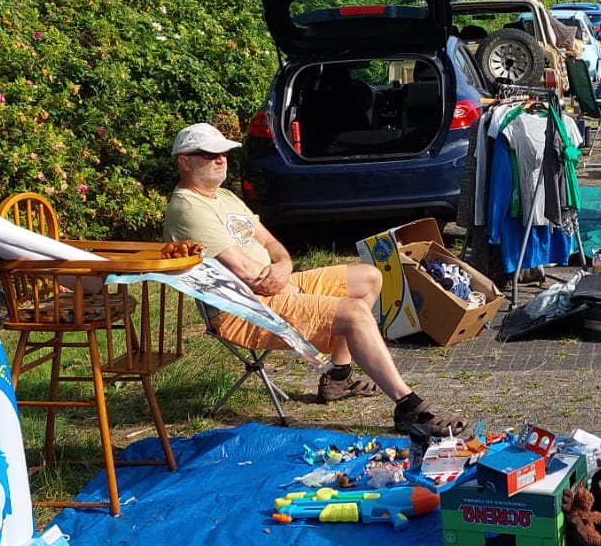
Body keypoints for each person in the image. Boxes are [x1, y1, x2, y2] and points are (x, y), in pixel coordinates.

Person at [162, 123, 462, 445]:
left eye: (223, 153)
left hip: (274, 284)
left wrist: (285, 265)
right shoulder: (188, 208)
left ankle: (338, 377)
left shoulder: (224, 196)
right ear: (185, 161)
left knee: (369, 277)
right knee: (354, 314)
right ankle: (408, 407)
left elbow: (270, 242)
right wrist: (289, 287)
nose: (220, 159)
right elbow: (246, 273)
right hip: (242, 308)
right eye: (209, 154)